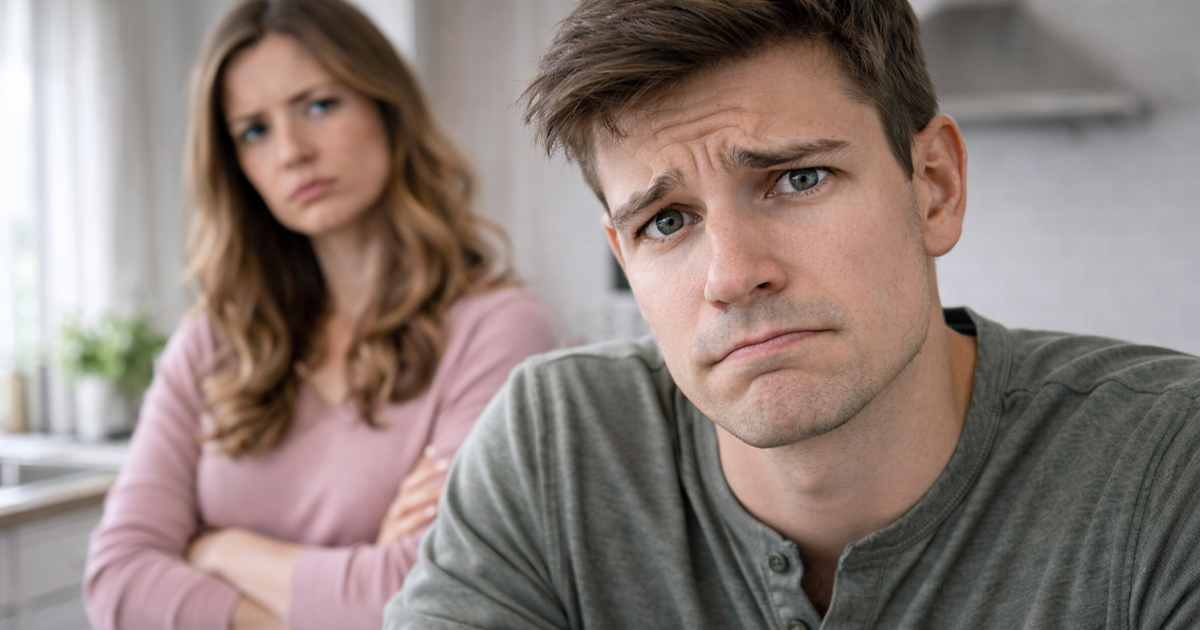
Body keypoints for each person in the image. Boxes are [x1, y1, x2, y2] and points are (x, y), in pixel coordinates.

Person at [384, 0, 1200, 628]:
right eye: (666, 221)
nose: (733, 277)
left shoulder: (1167, 462)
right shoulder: (558, 444)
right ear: (625, 257)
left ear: (935, 188)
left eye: (797, 179)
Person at [83, 0, 557, 628]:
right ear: (237, 168)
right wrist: (336, 592)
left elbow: (431, 592)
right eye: (254, 130)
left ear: (387, 110)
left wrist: (219, 549)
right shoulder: (211, 342)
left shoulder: (500, 331)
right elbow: (116, 578)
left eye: (319, 105)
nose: (292, 151)